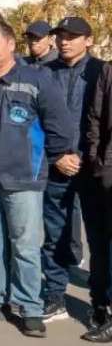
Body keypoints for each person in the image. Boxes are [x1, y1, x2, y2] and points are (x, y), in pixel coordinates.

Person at [0, 22, 72, 339]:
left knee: (25, 246)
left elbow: (59, 125)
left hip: (23, 179)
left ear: (10, 44)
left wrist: (55, 157)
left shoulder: (36, 80)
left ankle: (29, 306)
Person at [40, 17, 102, 321]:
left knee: (100, 240)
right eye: (61, 36)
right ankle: (55, 296)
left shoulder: (101, 71)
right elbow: (35, 119)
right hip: (57, 166)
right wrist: (56, 156)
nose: (64, 42)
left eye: (72, 36)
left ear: (88, 40)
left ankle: (101, 304)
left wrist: (91, 158)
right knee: (55, 235)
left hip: (94, 168)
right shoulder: (44, 73)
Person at [81, 59, 112, 341]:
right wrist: (95, 158)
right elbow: (95, 115)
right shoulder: (109, 70)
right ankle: (101, 306)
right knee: (100, 244)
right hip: (106, 172)